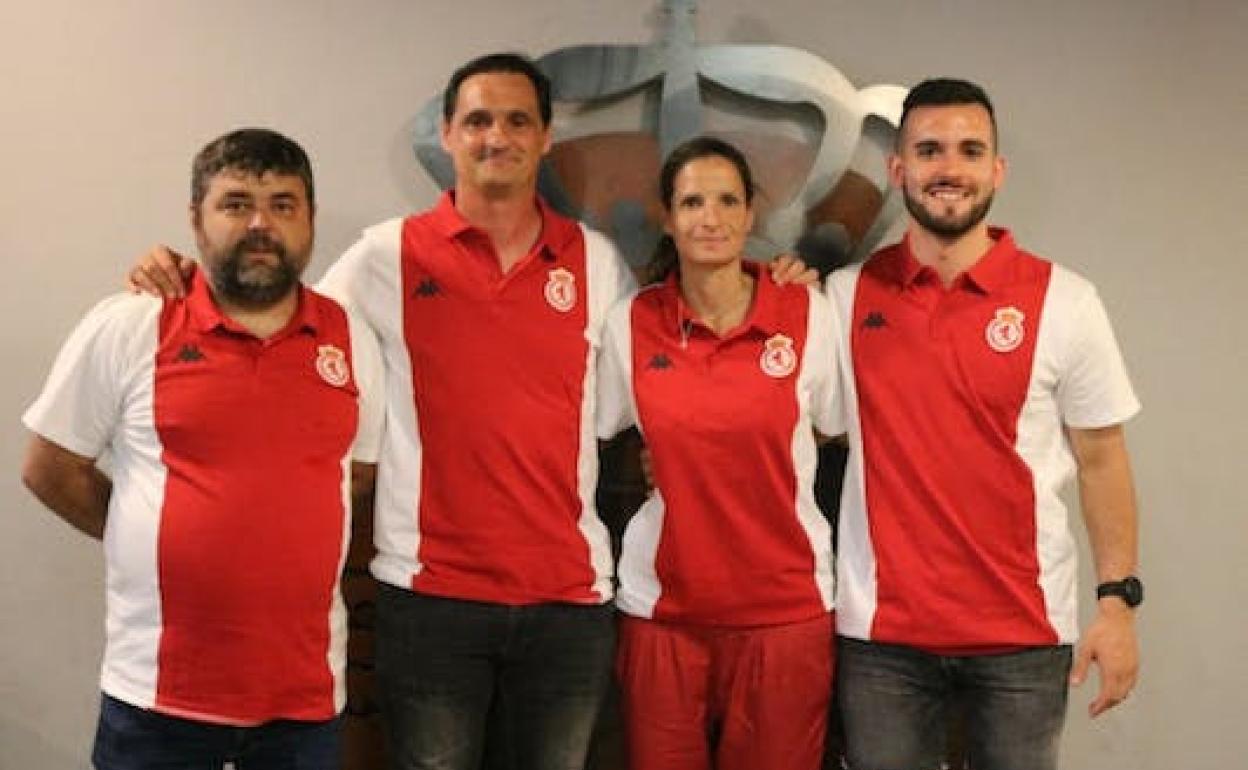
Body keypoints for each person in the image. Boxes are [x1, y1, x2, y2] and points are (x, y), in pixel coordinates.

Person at [21, 128, 385, 770]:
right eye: (236, 203)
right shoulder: (131, 323)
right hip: (156, 706)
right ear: (196, 218)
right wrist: (149, 530)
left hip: (302, 706)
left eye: (282, 204)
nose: (260, 224)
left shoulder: (352, 335)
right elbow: (50, 468)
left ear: (310, 219)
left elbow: (354, 474)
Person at [825, 78, 1142, 770]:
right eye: (930, 150)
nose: (949, 169)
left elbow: (1102, 460)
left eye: (970, 151)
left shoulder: (1066, 300)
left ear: (996, 171)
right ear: (898, 170)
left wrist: (1117, 605)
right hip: (883, 643)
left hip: (1022, 640)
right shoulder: (843, 299)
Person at [596, 136, 842, 770]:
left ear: (751, 213)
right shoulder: (630, 322)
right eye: (693, 201)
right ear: (668, 216)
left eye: (728, 200)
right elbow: (590, 433)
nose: (711, 217)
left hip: (784, 613)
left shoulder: (808, 311)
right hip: (663, 611)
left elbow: (832, 427)